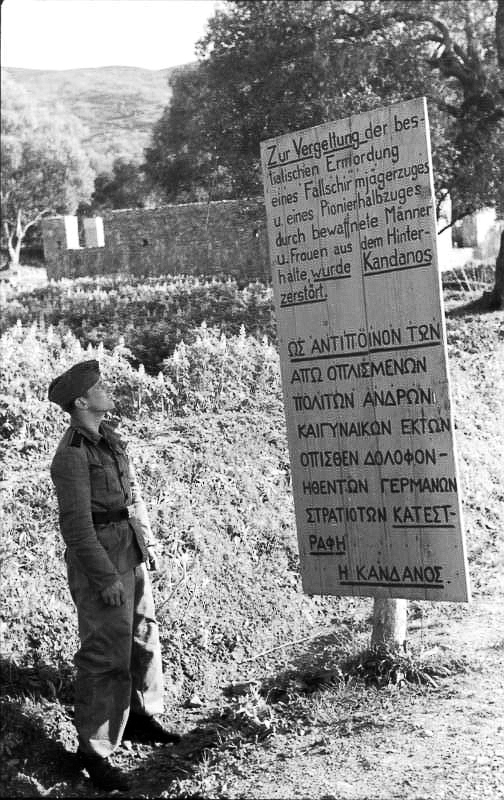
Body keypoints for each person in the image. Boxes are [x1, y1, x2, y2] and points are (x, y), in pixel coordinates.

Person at [48, 359, 180, 792]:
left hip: (128, 547)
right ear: (81, 402)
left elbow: (132, 496)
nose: (108, 391)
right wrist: (104, 578)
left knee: (143, 633)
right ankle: (95, 751)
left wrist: (149, 544)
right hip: (100, 557)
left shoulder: (111, 439)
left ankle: (140, 717)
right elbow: (77, 528)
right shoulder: (72, 455)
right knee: (105, 653)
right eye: (99, 388)